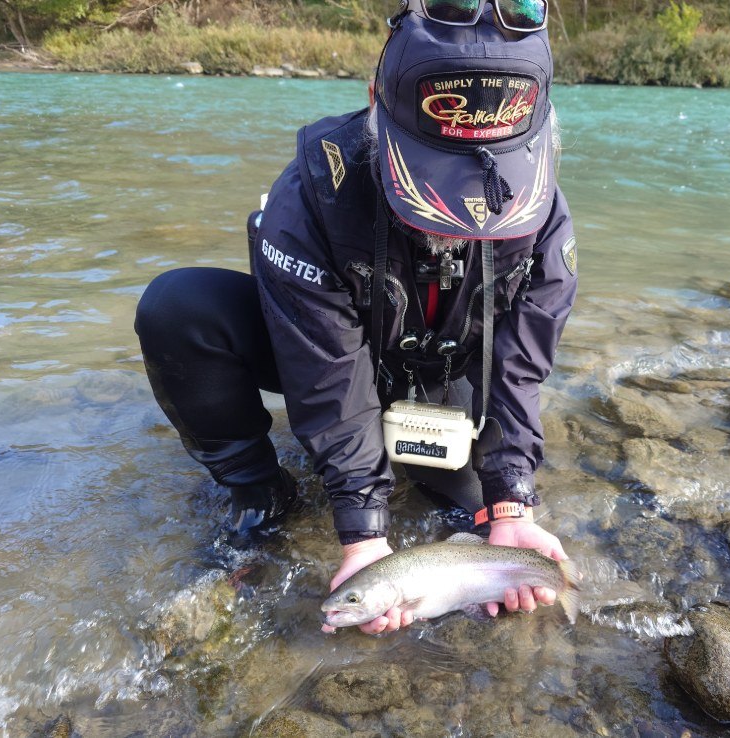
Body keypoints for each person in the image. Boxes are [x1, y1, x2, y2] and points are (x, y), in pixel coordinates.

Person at [134, 0, 578, 635]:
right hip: (331, 353)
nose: (461, 214)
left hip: (445, 373)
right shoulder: (318, 189)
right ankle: (261, 494)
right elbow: (327, 373)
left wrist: (511, 498)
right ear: (375, 100)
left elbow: (520, 367)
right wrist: (362, 532)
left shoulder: (541, 209)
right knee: (179, 309)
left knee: (481, 524)